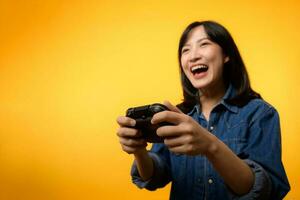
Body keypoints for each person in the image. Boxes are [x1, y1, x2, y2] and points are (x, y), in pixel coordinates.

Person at [116, 21, 290, 199]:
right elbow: (155, 176)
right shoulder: (177, 116)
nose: (193, 56)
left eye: (204, 44)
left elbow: (264, 191)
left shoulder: (260, 114)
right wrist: (139, 151)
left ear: (226, 55)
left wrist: (210, 146)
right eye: (186, 50)